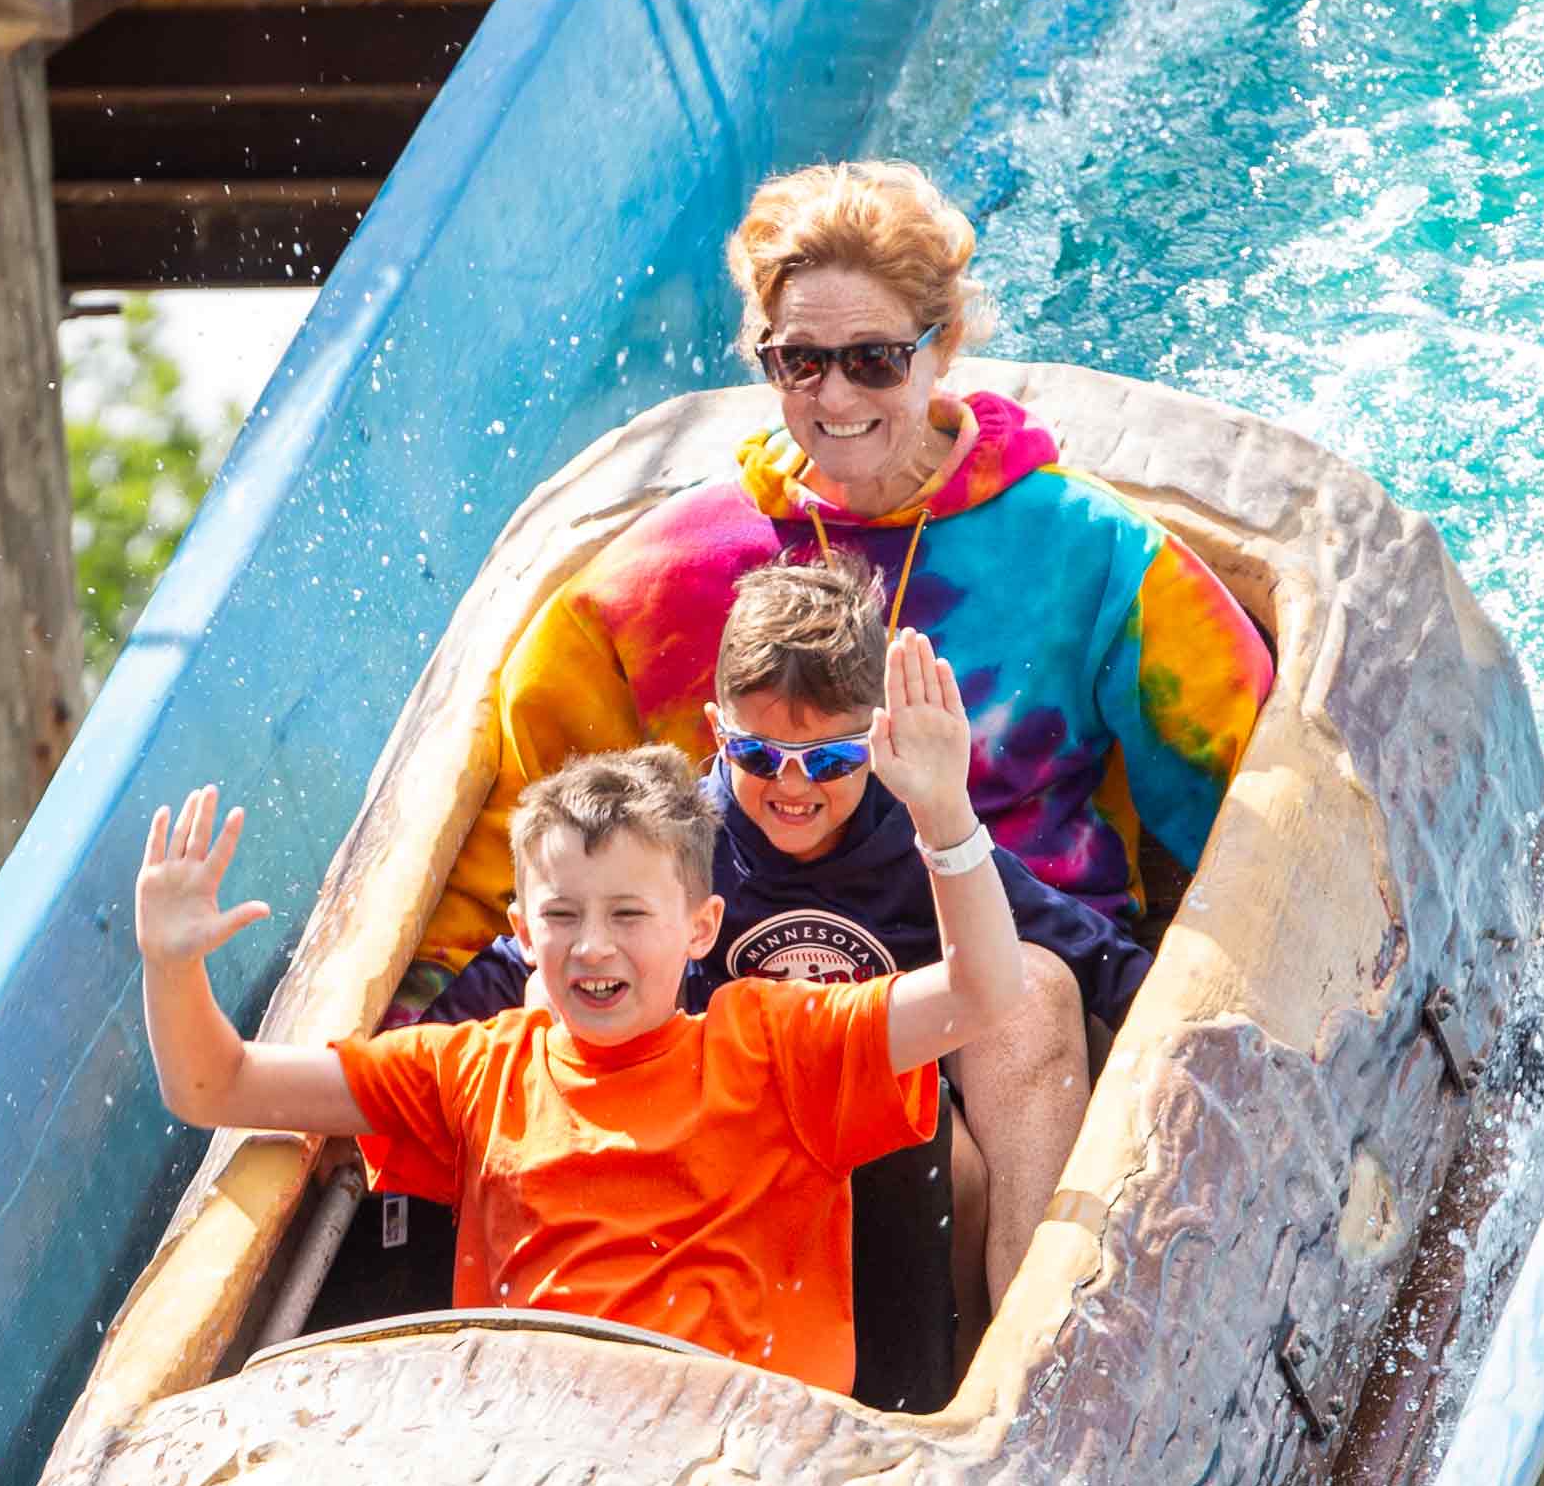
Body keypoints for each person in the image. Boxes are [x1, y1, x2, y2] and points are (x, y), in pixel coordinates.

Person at [414, 154, 1274, 1016]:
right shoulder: (659, 577)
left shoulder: (1090, 551)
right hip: (738, 1014)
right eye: (801, 362)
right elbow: (527, 836)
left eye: (875, 360)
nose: (835, 395)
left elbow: (1254, 804)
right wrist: (419, 1014)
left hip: (1023, 985)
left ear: (942, 347)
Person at [135, 631, 1028, 1395]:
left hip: (737, 1465)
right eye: (563, 917)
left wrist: (945, 814)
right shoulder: (479, 1069)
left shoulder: (773, 1042)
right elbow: (218, 1084)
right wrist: (171, 965)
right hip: (541, 1459)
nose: (593, 946)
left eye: (629, 916)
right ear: (523, 931)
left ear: (699, 927)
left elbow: (983, 990)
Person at [437, 559, 1148, 1312]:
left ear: (878, 742)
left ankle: (1028, 1335)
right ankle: (567, 1306)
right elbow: (532, 955)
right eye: (757, 755)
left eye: (832, 759)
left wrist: (1198, 1042)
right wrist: (413, 1034)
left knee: (1032, 990)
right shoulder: (675, 839)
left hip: (905, 1160)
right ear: (717, 733)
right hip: (712, 1149)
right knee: (545, 996)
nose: (793, 785)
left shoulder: (917, 835)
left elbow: (1097, 958)